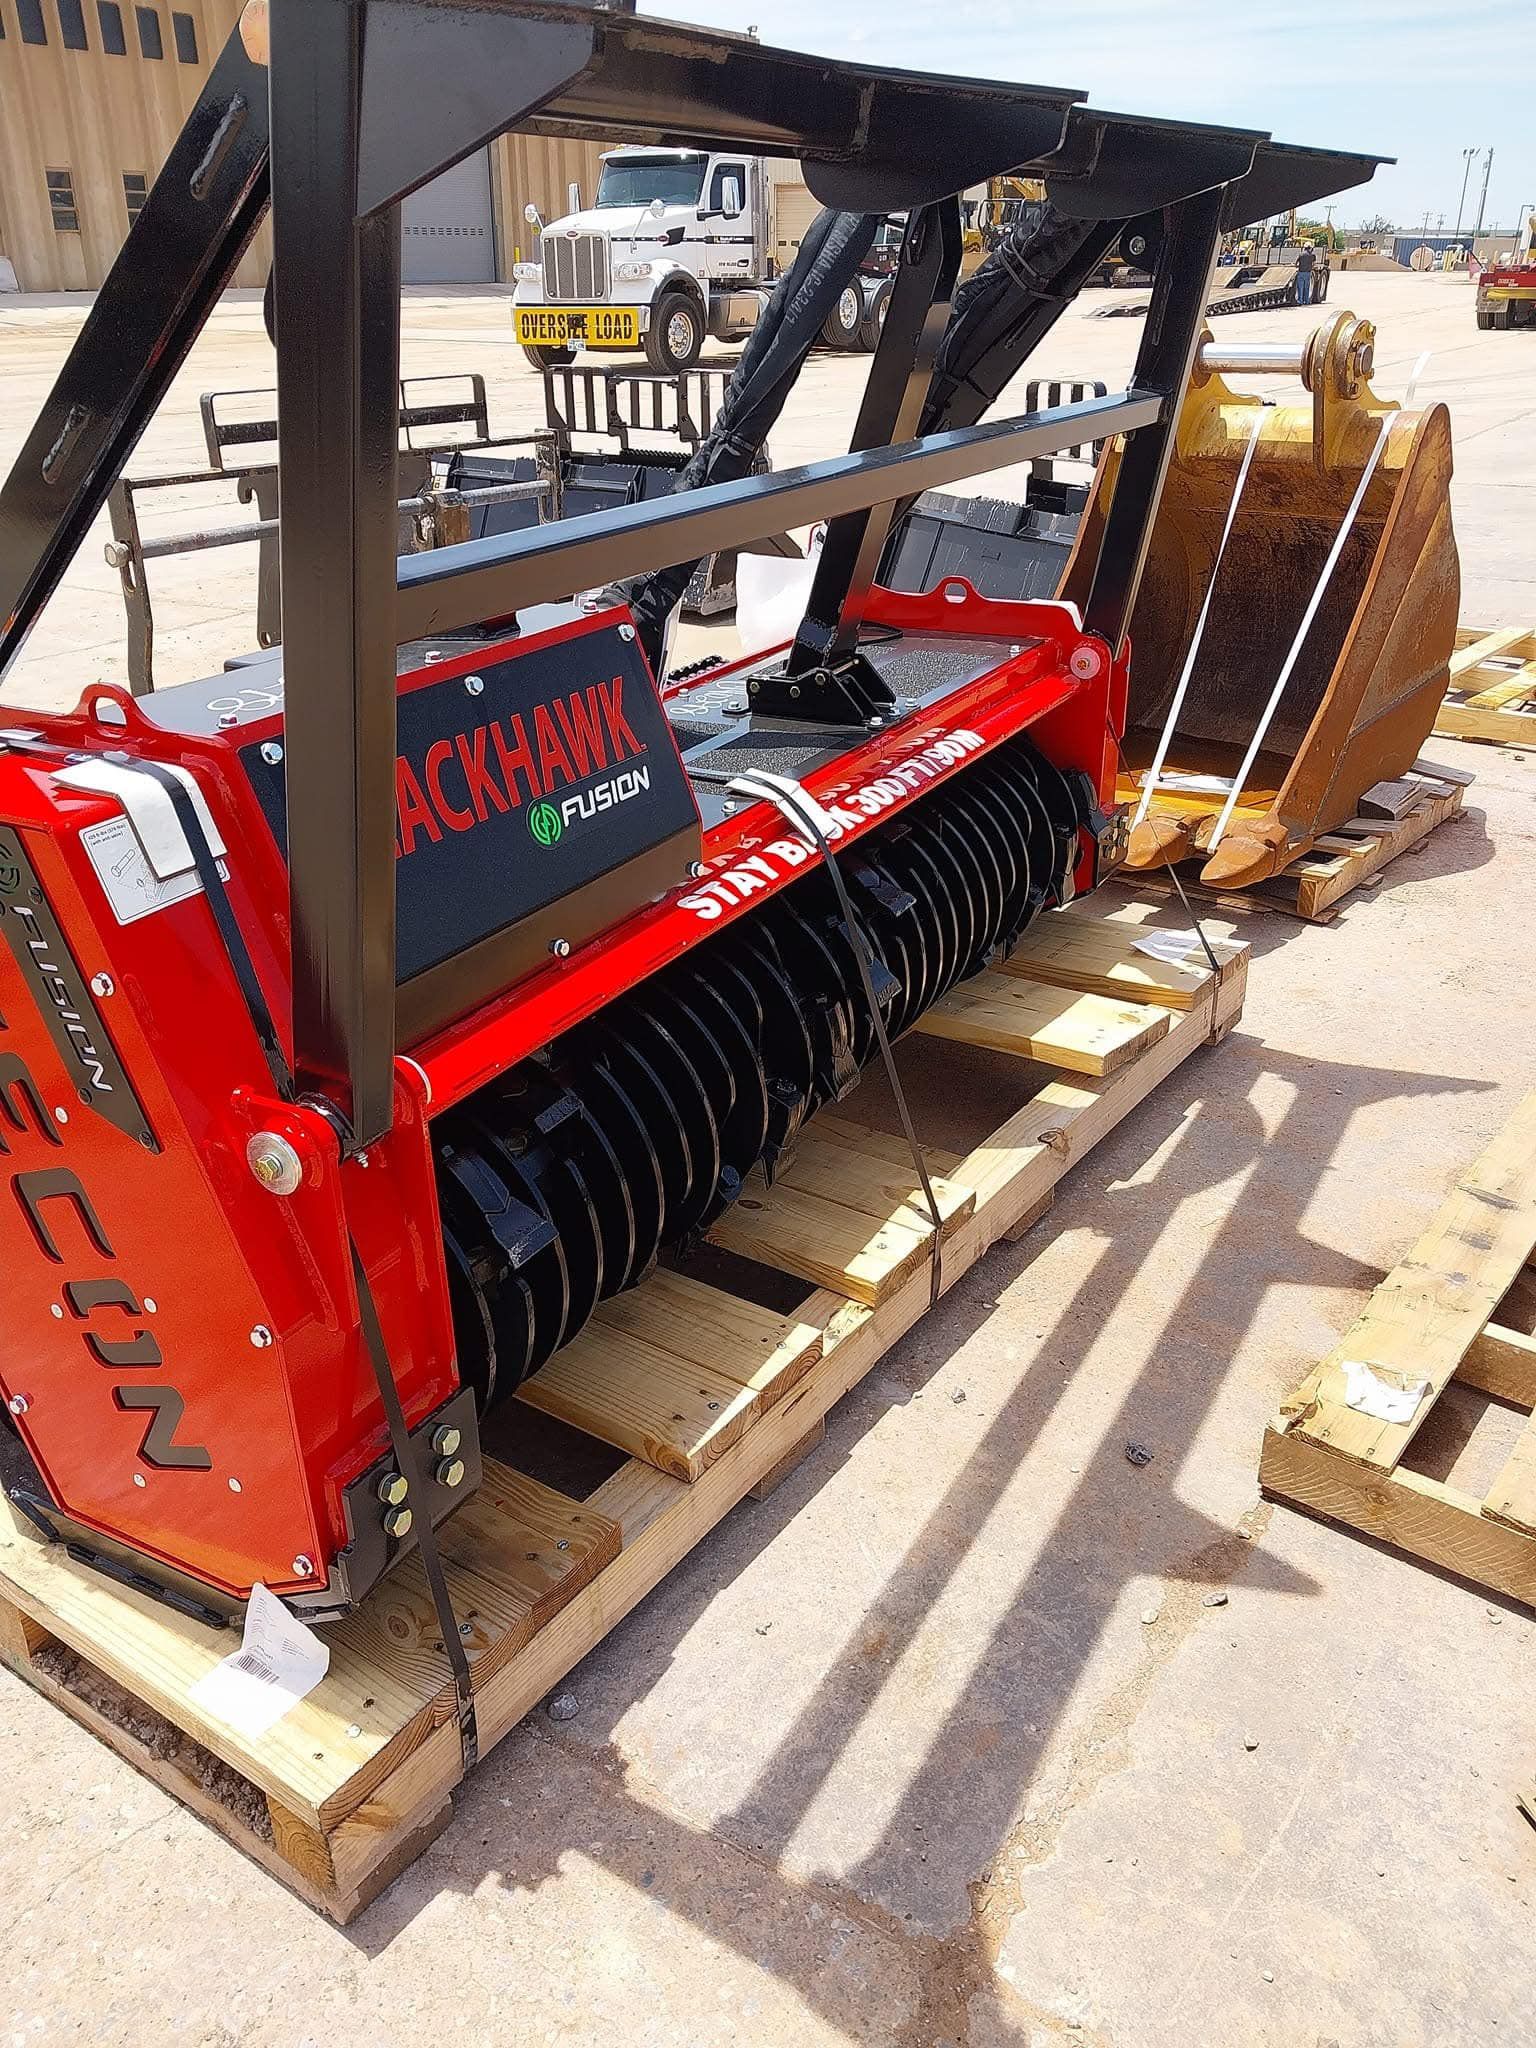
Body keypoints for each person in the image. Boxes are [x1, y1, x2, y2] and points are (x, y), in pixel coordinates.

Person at [1295, 241, 1316, 306]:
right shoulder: (1312, 255)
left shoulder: (1301, 254)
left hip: (1301, 272)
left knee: (1300, 287)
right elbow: (1314, 264)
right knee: (1306, 287)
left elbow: (1296, 263)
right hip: (1308, 273)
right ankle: (1306, 301)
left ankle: (1300, 301)